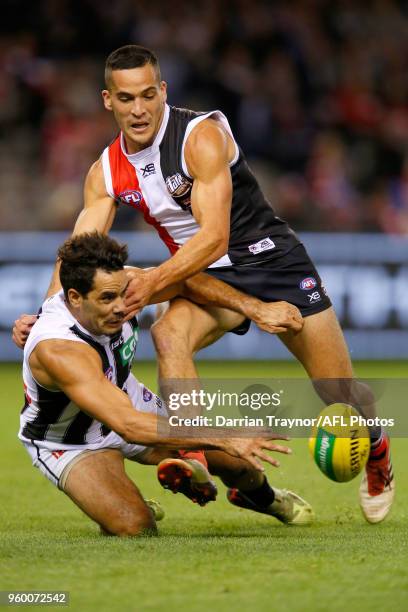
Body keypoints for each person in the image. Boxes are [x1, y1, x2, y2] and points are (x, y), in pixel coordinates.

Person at [14, 45, 393, 524]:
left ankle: (377, 448)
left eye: (149, 95)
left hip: (271, 262)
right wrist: (48, 313)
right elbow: (75, 256)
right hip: (200, 273)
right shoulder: (105, 172)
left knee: (336, 390)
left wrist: (153, 282)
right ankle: (193, 454)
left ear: (163, 91)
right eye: (127, 98)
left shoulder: (200, 136)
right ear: (108, 100)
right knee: (168, 333)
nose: (139, 109)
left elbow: (214, 238)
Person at [20, 232, 314, 536]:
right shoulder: (59, 349)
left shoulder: (125, 286)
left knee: (238, 464)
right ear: (74, 298)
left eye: (122, 293)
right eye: (107, 299)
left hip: (125, 400)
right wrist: (225, 436)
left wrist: (253, 308)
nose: (121, 307)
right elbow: (128, 426)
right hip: (71, 441)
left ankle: (264, 498)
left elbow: (186, 282)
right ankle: (122, 498)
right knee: (136, 526)